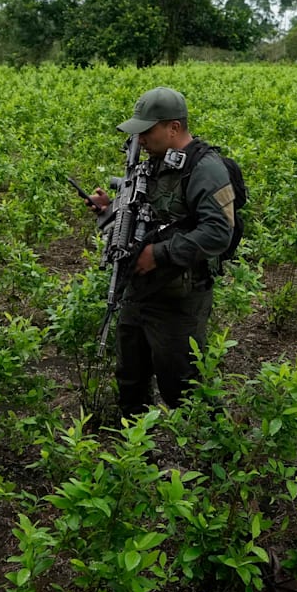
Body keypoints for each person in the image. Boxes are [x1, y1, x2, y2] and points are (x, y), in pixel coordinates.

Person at [87, 87, 235, 420]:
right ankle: (137, 461)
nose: (140, 138)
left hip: (178, 297)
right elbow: (150, 214)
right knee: (130, 381)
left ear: (174, 127)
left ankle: (220, 459)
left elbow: (217, 232)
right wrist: (111, 209)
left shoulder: (206, 168)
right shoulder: (153, 163)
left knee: (184, 389)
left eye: (147, 130)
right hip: (138, 291)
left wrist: (159, 254)